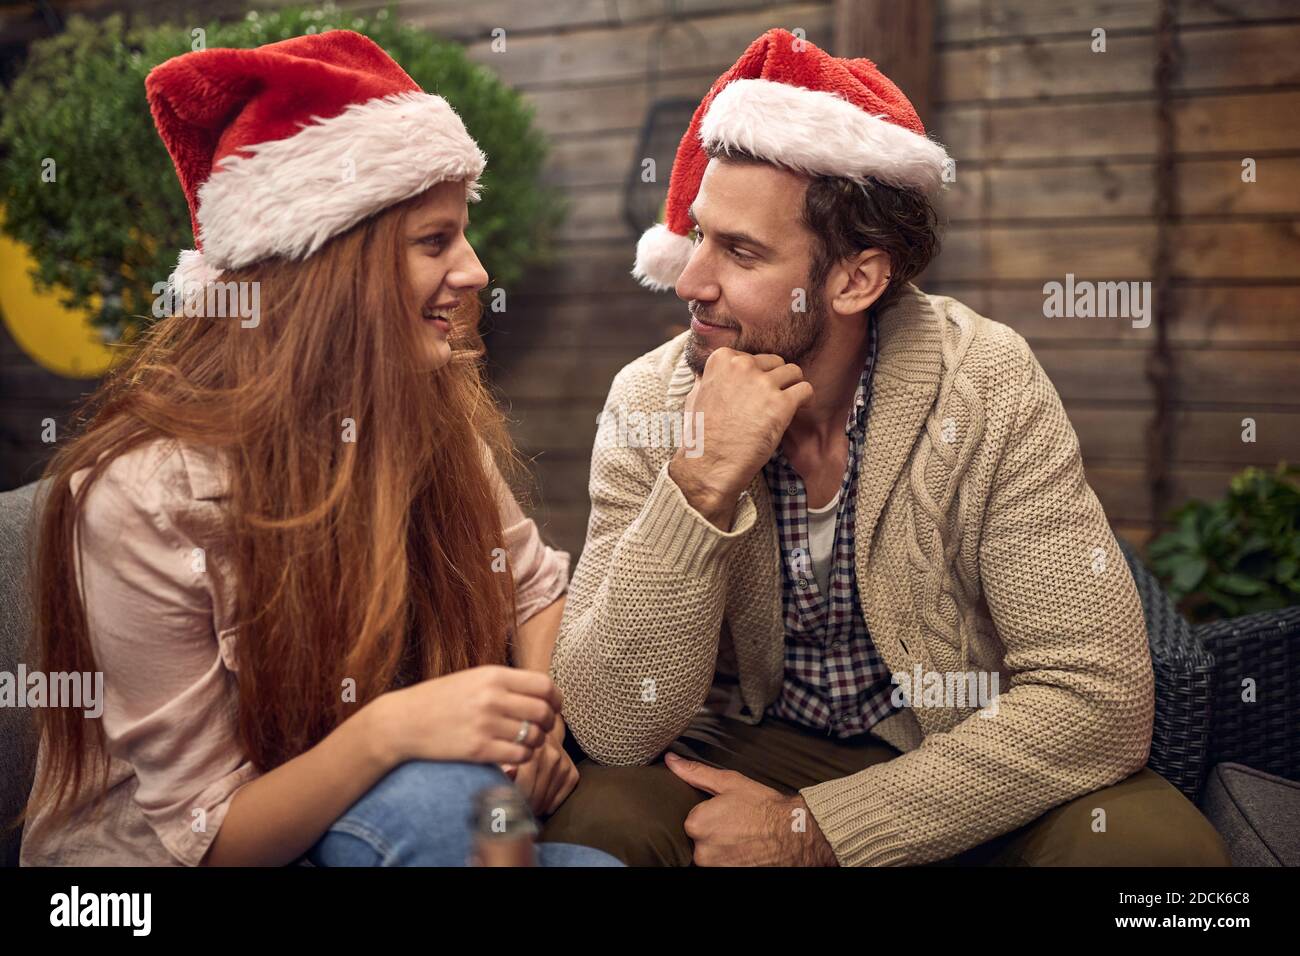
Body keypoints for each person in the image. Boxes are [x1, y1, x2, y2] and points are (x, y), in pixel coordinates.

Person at [541, 28, 1231, 867]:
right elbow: (611, 723)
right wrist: (701, 482)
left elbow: (1100, 698)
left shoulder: (986, 382)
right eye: (697, 236)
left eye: (740, 251)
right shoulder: (652, 399)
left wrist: (825, 829)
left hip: (964, 748)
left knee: (1157, 859)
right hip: (750, 745)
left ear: (855, 280)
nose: (690, 280)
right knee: (598, 823)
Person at [16, 30, 619, 868]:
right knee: (445, 801)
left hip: (380, 820)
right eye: (435, 241)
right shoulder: (148, 493)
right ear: (329, 272)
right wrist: (390, 731)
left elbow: (534, 590)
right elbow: (209, 834)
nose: (477, 271)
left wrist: (532, 726)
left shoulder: (424, 417)